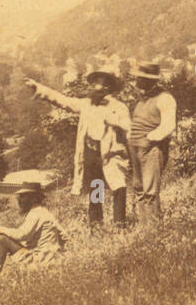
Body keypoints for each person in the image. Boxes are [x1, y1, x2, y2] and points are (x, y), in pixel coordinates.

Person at [27, 70, 131, 228]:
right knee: (96, 189)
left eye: (102, 84)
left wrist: (115, 121)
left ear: (109, 88)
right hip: (92, 153)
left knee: (119, 187)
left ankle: (120, 226)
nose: (97, 87)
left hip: (112, 154)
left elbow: (129, 127)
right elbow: (62, 100)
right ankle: (96, 226)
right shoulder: (86, 104)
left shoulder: (119, 107)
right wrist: (39, 88)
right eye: (95, 83)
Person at [128, 61, 177, 222]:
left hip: (152, 149)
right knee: (138, 188)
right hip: (135, 148)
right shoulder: (142, 100)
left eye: (140, 78)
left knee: (150, 190)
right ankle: (144, 228)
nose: (137, 81)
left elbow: (169, 125)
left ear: (149, 80)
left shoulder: (165, 98)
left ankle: (154, 229)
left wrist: (150, 138)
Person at [0, 182, 64, 273]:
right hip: (49, 260)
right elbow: (63, 234)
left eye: (23, 196)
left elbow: (22, 235)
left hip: (41, 261)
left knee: (1, 240)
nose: (19, 200)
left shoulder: (36, 212)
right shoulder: (43, 211)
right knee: (3, 239)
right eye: (20, 196)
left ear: (34, 198)